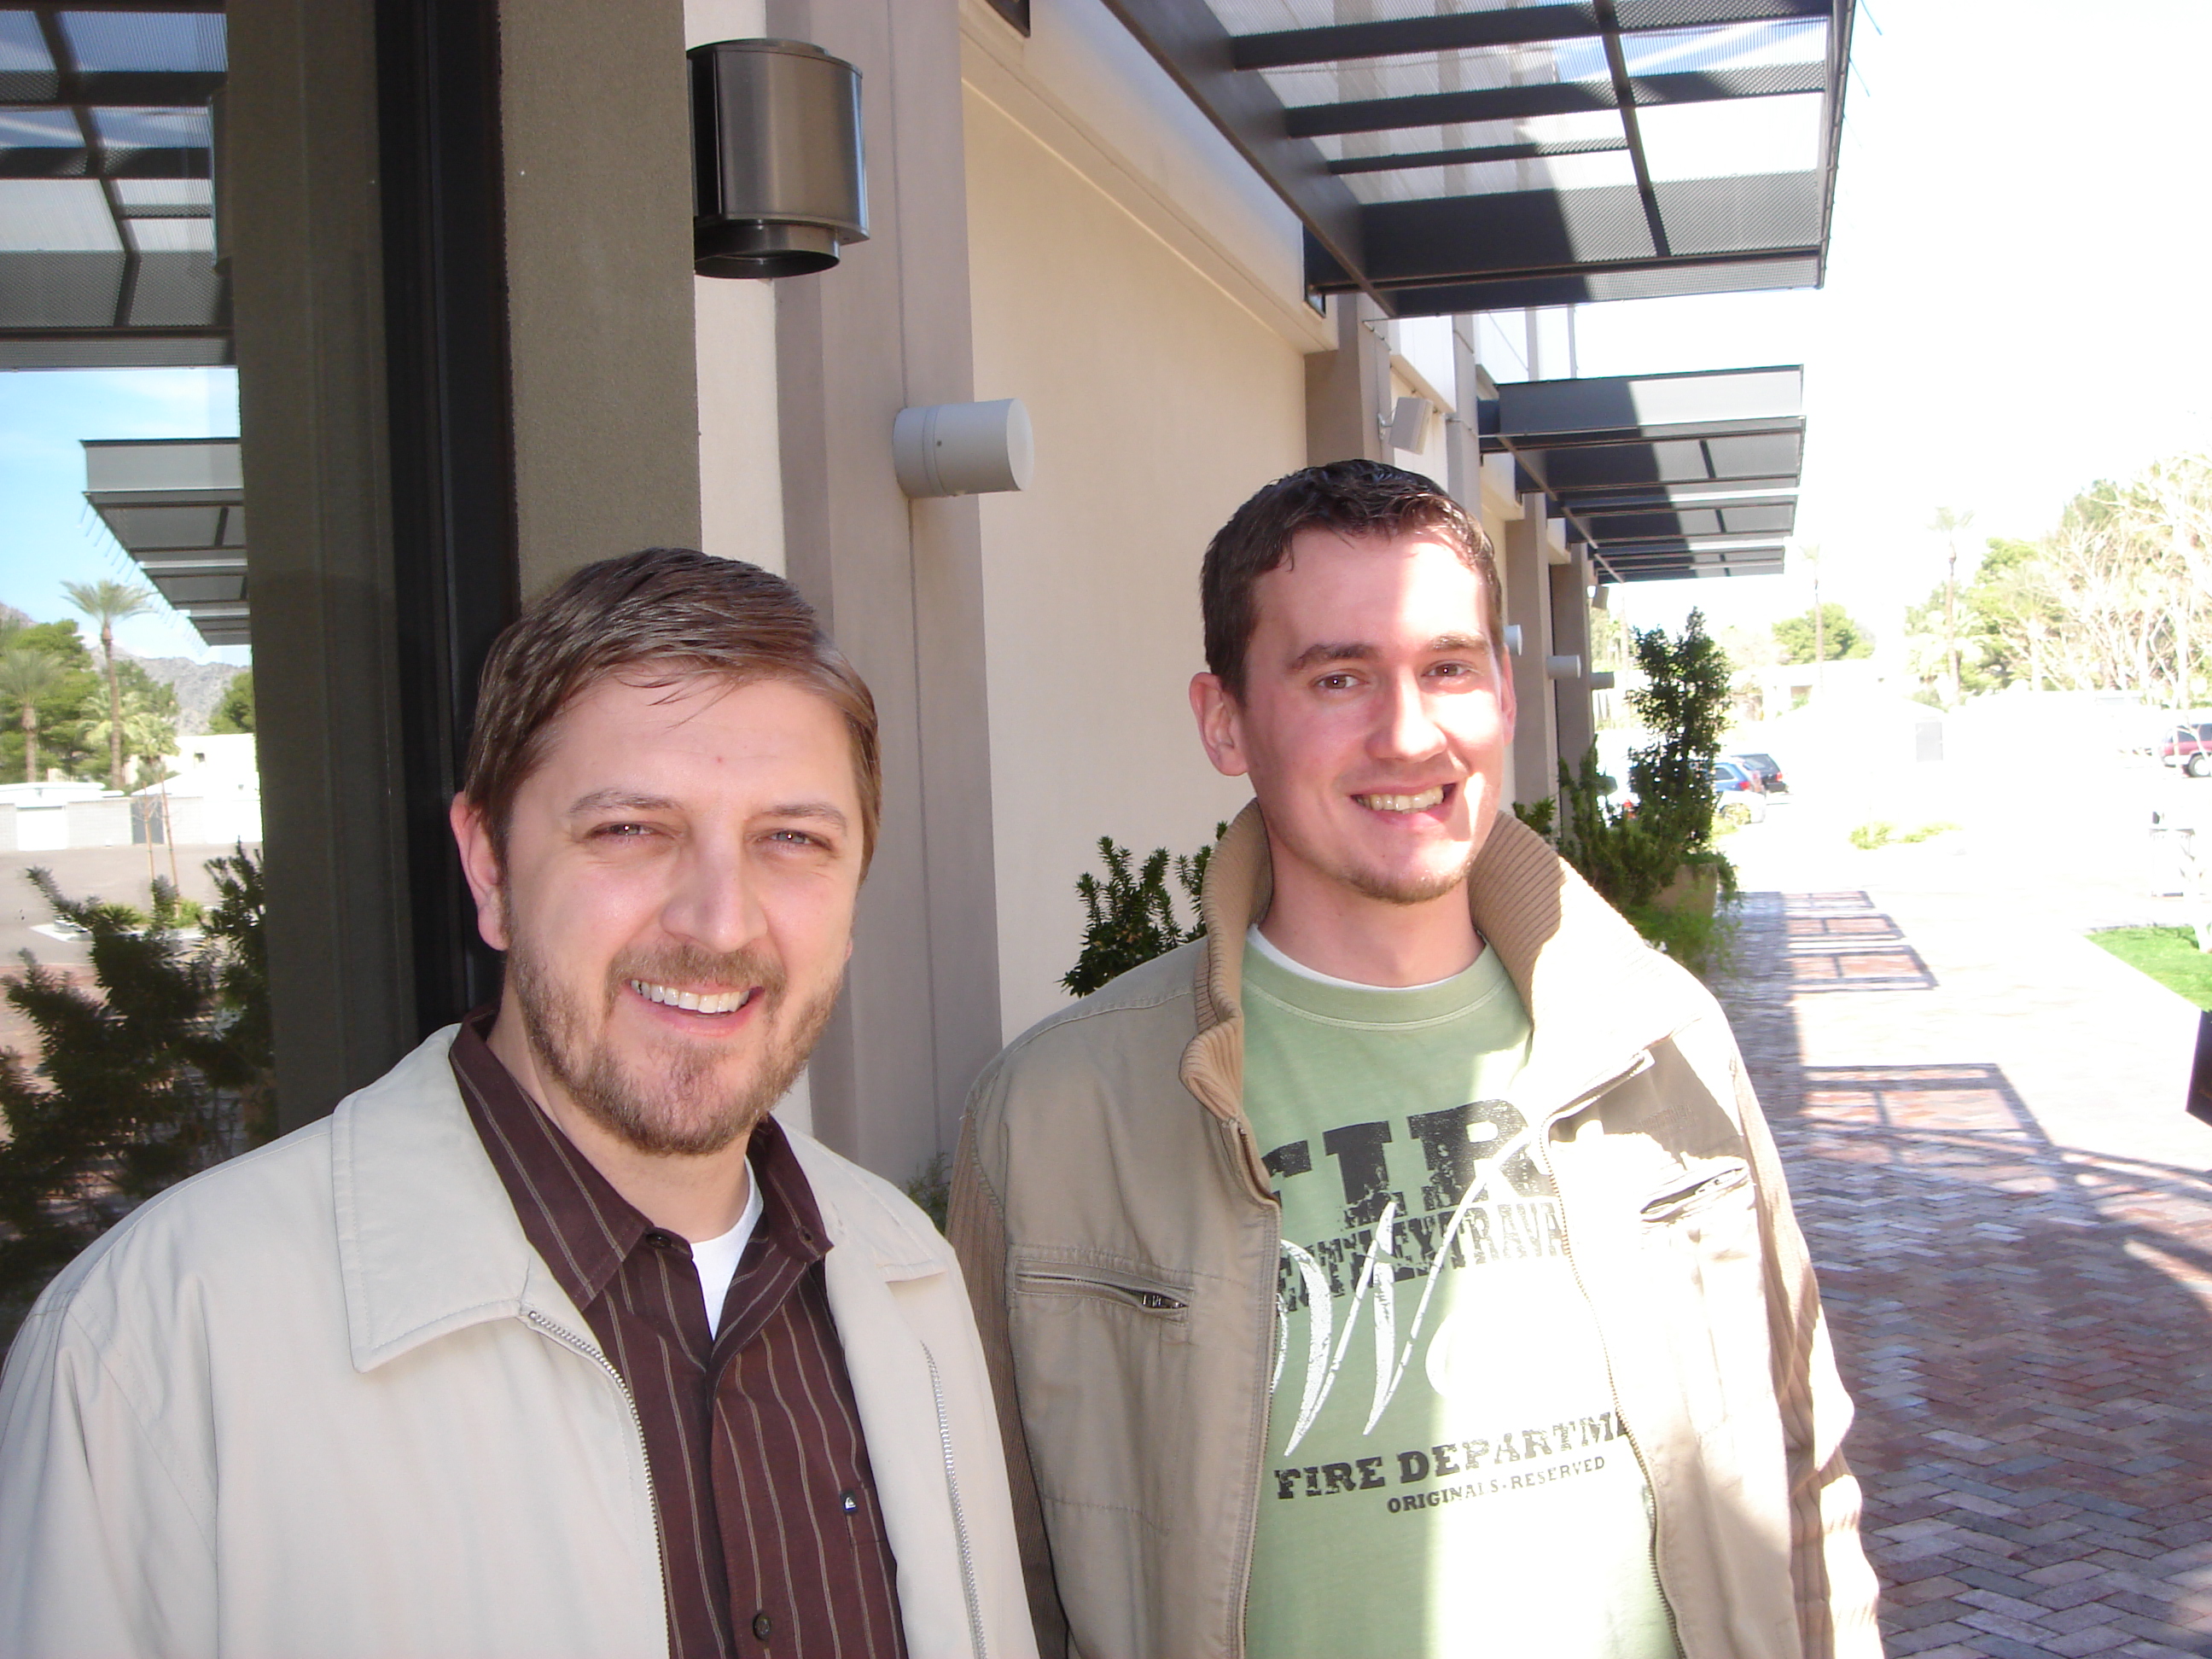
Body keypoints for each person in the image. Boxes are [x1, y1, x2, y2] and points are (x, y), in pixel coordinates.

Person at [0, 550, 1036, 1659]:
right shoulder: (156, 1352)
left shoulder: (908, 1276)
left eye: (793, 840)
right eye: (630, 829)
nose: (722, 921)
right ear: (490, 868)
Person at [949, 463, 1879, 1659]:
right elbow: (993, 1571)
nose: (1408, 734)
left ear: (1502, 689)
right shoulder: (1056, 1115)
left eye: (1448, 667)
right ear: (1225, 720)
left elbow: (1802, 1467)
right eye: (1338, 677)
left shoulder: (1661, 1037)